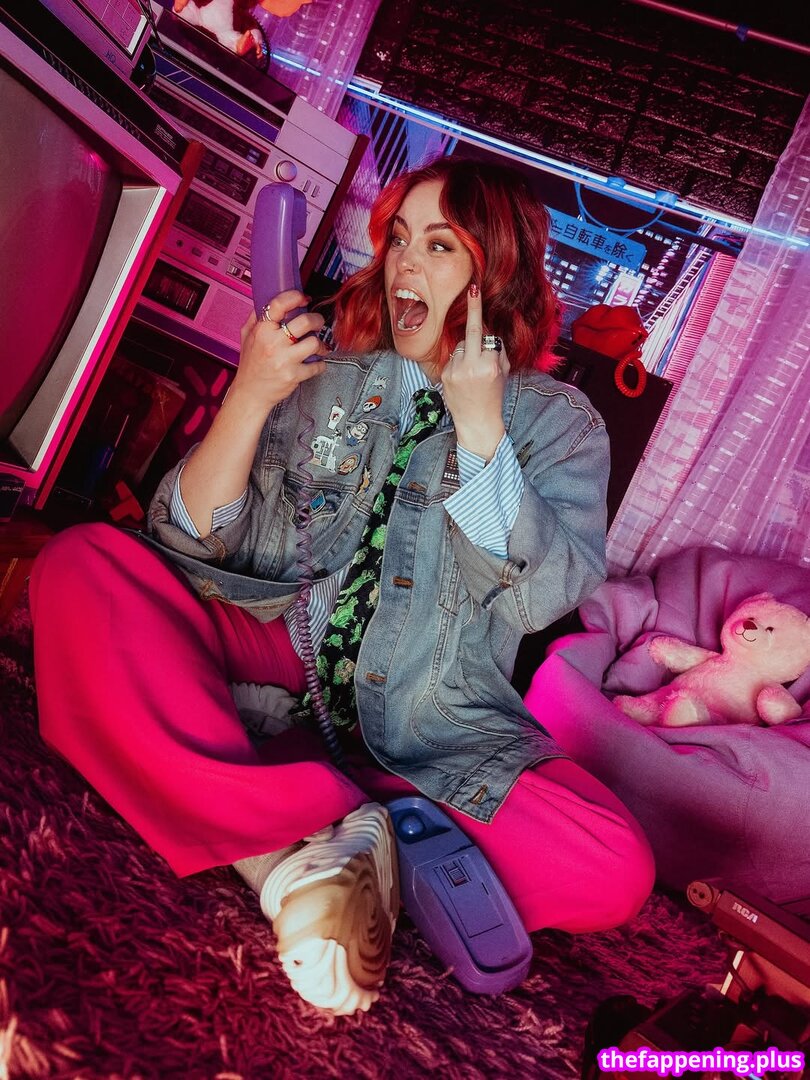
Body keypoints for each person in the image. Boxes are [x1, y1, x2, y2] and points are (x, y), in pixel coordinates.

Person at [30, 158, 654, 1016]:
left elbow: (538, 598)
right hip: (277, 652)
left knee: (615, 865)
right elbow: (187, 542)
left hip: (432, 724)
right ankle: (300, 856)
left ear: (496, 273)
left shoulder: (562, 423)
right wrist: (251, 396)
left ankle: (289, 815)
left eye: (439, 245)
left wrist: (481, 434)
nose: (405, 262)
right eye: (399, 238)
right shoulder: (333, 376)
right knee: (80, 566)